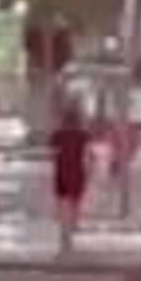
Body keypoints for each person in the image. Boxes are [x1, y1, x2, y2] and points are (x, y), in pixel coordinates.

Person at [47, 94, 96, 255]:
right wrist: (91, 170)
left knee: (63, 201)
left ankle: (64, 229)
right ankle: (73, 224)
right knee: (75, 201)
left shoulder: (57, 135)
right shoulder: (83, 135)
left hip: (61, 172)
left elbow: (52, 154)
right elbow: (88, 156)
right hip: (78, 172)